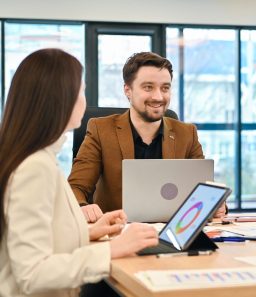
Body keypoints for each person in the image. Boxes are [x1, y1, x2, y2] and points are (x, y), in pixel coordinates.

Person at [0, 48, 159, 297]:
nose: (85, 100)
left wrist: (88, 231)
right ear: (61, 99)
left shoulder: (39, 158)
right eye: (81, 91)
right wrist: (112, 250)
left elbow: (41, 238)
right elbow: (32, 273)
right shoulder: (35, 167)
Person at [68, 52, 226, 223]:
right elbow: (76, 187)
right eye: (148, 87)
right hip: (118, 233)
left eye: (165, 88)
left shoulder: (187, 134)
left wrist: (216, 205)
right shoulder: (101, 130)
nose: (158, 96)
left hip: (173, 234)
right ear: (127, 90)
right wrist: (83, 206)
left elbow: (204, 191)